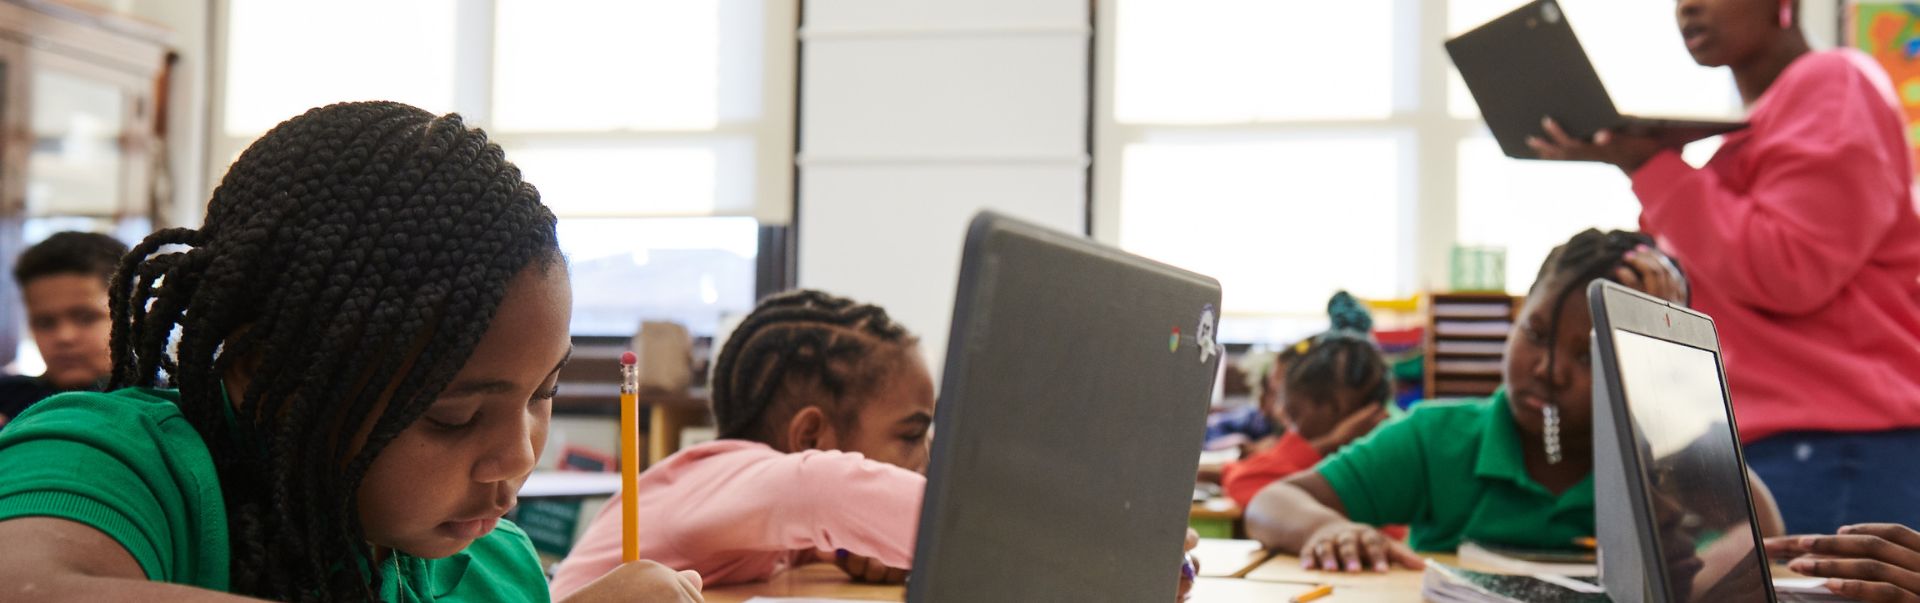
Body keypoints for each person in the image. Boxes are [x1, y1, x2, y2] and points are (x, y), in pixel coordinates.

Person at [0, 102, 700, 602]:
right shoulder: (114, 463)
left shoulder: (498, 569)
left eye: (541, 393)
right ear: (258, 365)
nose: (519, 454)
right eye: (453, 416)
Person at [1528, 0, 1920, 535]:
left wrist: (1649, 165)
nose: (1687, 7)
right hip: (1791, 445)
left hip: (1838, 447)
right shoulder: (1759, 120)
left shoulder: (1834, 81)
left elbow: (1791, 269)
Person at [1243, 229, 1785, 573]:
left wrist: (1664, 364)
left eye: (1586, 355)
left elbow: (1761, 539)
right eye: (1536, 333)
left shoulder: (1661, 452)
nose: (1548, 369)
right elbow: (1271, 503)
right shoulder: (1438, 437)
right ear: (1518, 316)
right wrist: (1327, 528)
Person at [551, 290, 932, 595]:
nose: (930, 453)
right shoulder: (719, 474)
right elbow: (822, 488)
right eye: (912, 434)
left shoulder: (742, 503)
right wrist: (967, 523)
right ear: (811, 439)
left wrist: (853, 551)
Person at [1218, 291, 1390, 509]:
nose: (1288, 425)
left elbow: (1243, 482)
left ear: (1334, 407)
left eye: (1294, 416)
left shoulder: (1358, 461)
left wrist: (1326, 444)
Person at [0, 231, 127, 426]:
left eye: (86, 318)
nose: (64, 337)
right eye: (45, 322)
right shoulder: (8, 400)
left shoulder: (160, 407)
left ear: (130, 316)